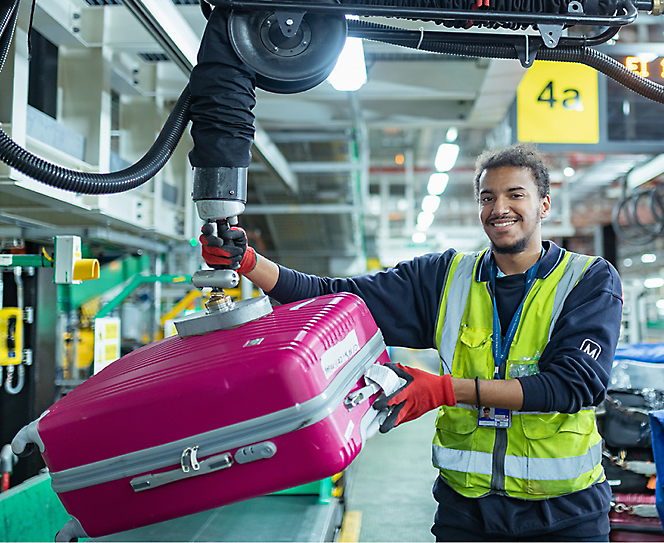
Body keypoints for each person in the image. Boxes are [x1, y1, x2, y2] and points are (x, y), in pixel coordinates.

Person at [200, 143, 623, 542]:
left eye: (516, 195)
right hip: (467, 513)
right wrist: (250, 263)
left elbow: (572, 386)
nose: (499, 208)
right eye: (487, 197)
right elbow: (335, 295)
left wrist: (444, 390)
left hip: (564, 515)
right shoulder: (444, 279)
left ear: (544, 204)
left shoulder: (587, 280)